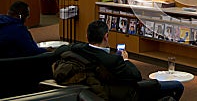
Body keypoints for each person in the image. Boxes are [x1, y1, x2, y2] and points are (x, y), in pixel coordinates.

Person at [53, 20, 184, 100]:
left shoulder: (75, 49)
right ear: (106, 36)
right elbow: (136, 76)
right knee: (177, 86)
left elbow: (58, 51)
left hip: (95, 90)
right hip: (123, 94)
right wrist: (125, 60)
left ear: (87, 36)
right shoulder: (113, 60)